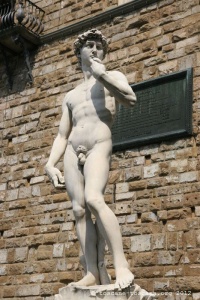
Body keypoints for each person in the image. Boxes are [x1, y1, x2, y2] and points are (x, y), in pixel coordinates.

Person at [45, 28, 137, 289]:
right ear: (80, 53)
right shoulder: (70, 95)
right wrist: (50, 163)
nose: (95, 49)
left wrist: (102, 75)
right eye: (90, 46)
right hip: (74, 148)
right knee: (79, 209)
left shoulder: (111, 76)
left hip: (99, 142)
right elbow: (62, 134)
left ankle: (121, 265)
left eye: (98, 46)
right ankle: (92, 272)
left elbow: (130, 99)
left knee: (95, 199)